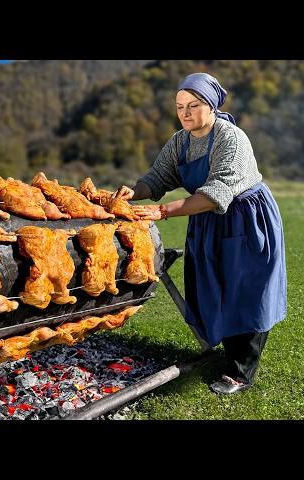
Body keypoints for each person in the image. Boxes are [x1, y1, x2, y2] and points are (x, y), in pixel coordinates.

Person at [113, 72, 287, 395]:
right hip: (207, 222)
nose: (185, 113)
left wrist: (164, 211)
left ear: (211, 105)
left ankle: (240, 372)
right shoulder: (180, 142)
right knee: (210, 285)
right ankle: (221, 347)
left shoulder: (230, 139)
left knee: (244, 291)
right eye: (180, 106)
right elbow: (157, 177)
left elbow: (214, 195)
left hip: (244, 219)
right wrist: (132, 192)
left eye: (193, 105)